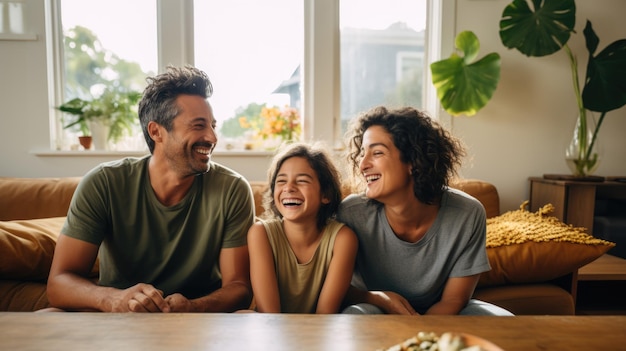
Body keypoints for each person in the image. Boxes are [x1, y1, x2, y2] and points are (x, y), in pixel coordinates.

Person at [46, 65, 255, 312]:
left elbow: (239, 286)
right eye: (199, 125)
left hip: (199, 324)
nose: (212, 137)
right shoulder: (103, 183)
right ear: (156, 131)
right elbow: (59, 283)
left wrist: (192, 308)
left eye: (213, 125)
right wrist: (114, 300)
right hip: (118, 322)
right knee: (45, 317)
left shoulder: (233, 189)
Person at [337, 106, 513, 316]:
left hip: (444, 311)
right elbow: (332, 287)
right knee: (355, 316)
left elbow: (454, 300)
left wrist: (419, 341)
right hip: (374, 308)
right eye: (362, 154)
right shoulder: (350, 213)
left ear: (413, 160)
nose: (363, 164)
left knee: (504, 321)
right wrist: (379, 298)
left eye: (377, 153)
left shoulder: (468, 214)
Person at [247, 142, 358, 313]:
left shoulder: (343, 238)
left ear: (326, 194)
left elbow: (325, 315)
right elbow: (269, 315)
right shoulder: (260, 233)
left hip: (320, 330)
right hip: (269, 329)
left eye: (302, 181)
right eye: (281, 181)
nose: (289, 188)